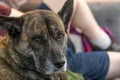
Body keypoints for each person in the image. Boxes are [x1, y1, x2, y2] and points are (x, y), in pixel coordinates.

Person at [0, 0, 120, 80]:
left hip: (61, 42)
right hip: (69, 61)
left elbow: (17, 14)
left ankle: (105, 43)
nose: (59, 60)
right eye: (38, 40)